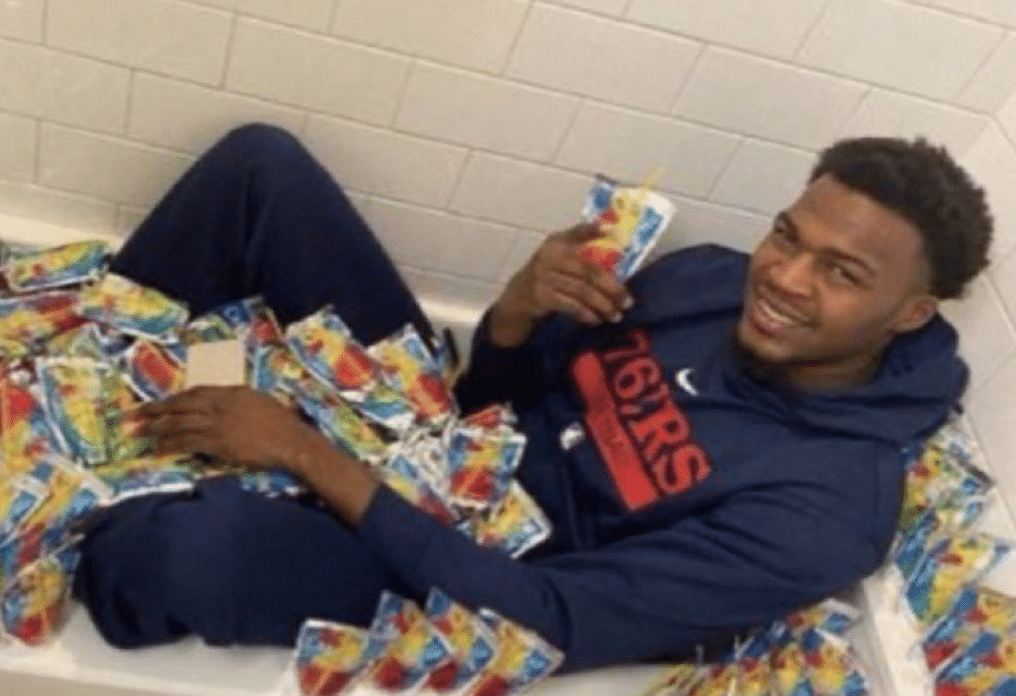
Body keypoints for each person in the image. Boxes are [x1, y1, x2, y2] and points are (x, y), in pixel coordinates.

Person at [73, 123, 992, 672]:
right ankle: (65, 380)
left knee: (182, 554)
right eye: (788, 237)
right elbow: (487, 400)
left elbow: (545, 622)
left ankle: (73, 525)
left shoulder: (825, 511)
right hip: (442, 440)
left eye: (841, 272)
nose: (785, 278)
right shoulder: (714, 281)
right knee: (261, 170)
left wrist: (304, 454)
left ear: (911, 312)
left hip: (469, 581)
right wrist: (515, 315)